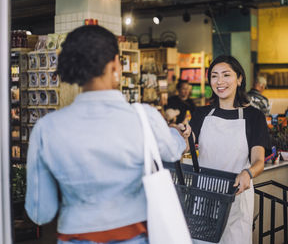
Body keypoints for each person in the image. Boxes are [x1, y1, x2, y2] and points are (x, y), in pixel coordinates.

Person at [24, 25, 191, 244]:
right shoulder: (143, 117)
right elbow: (172, 151)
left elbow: (40, 212)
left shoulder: (46, 128)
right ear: (115, 64)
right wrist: (179, 134)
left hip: (74, 235)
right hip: (134, 235)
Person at [189, 55, 268, 244]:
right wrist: (181, 134)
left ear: (239, 79)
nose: (220, 81)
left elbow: (259, 160)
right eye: (214, 76)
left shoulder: (254, 116)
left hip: (236, 197)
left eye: (226, 75)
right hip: (205, 196)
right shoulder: (201, 114)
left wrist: (248, 173)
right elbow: (187, 143)